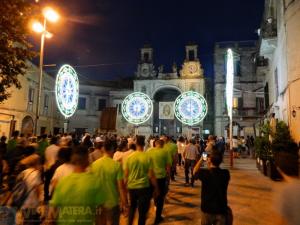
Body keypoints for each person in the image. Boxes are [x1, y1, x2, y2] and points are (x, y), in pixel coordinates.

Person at [47, 145, 105, 225]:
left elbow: (53, 211)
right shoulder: (95, 182)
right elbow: (100, 214)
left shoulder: (62, 183)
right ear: (87, 160)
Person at [91, 137, 128, 225]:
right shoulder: (116, 166)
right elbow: (121, 188)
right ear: (112, 149)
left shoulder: (94, 165)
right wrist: (125, 203)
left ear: (103, 148)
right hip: (112, 202)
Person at [124, 135, 159, 225]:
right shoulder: (147, 157)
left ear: (136, 144)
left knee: (132, 208)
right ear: (144, 144)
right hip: (143, 187)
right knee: (142, 212)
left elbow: (126, 175)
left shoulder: (129, 157)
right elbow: (151, 175)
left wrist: (124, 189)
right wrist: (156, 187)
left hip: (131, 187)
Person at [193, 148, 230, 225]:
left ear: (209, 160)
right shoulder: (226, 173)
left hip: (207, 209)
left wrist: (202, 159)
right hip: (221, 209)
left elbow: (194, 172)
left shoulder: (205, 173)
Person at [146, 139, 171, 224]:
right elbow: (168, 167)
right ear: (162, 144)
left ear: (155, 144)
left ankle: (144, 214)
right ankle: (157, 217)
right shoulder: (165, 152)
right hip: (161, 177)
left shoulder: (149, 151)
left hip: (150, 177)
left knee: (148, 196)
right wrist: (168, 177)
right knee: (160, 197)